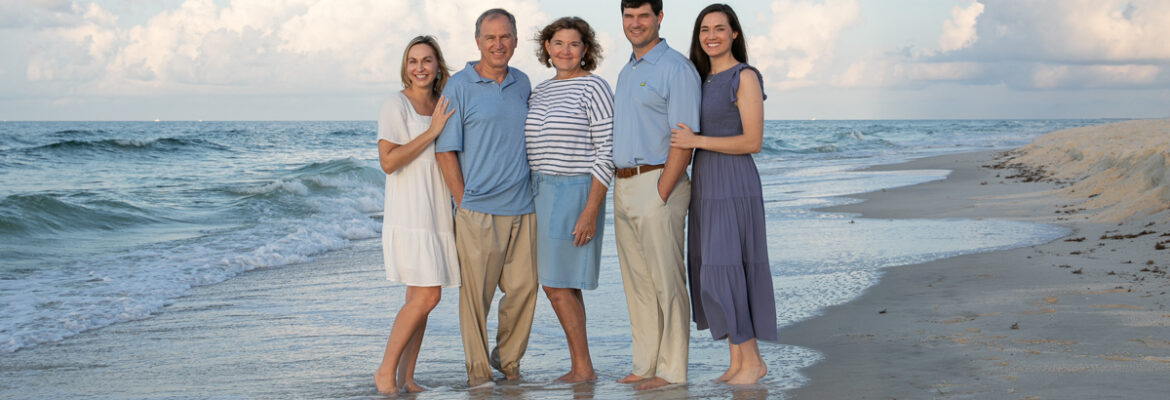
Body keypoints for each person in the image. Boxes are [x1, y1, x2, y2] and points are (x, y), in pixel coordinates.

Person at [670, 3, 777, 385]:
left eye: (719, 28)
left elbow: (753, 141)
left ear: (734, 33)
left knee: (728, 270)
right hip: (706, 183)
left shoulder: (744, 76)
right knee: (712, 271)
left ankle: (753, 362)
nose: (711, 35)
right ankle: (736, 362)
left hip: (734, 182)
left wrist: (697, 141)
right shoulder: (700, 80)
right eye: (704, 29)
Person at [434, 8, 538, 389]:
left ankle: (508, 361)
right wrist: (463, 201)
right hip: (477, 210)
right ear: (477, 41)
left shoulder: (523, 83)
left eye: (505, 36)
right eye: (490, 37)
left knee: (524, 290)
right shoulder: (458, 86)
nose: (498, 44)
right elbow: (445, 150)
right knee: (476, 299)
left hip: (524, 207)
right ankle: (478, 373)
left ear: (515, 40)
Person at [611, 0, 701, 390]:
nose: (635, 23)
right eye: (628, 16)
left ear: (659, 18)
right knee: (639, 284)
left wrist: (662, 189)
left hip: (658, 183)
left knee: (667, 282)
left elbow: (684, 138)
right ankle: (645, 364)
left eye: (643, 16)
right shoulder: (626, 71)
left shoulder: (677, 69)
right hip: (623, 185)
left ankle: (672, 371)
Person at [524, 16, 614, 384]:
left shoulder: (595, 87)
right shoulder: (540, 91)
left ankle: (583, 368)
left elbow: (607, 150)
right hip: (538, 191)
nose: (565, 50)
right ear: (547, 47)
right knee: (564, 283)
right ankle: (581, 366)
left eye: (574, 44)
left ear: (585, 49)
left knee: (556, 284)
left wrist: (590, 210)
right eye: (558, 43)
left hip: (574, 191)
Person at [372, 35, 458, 394]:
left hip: (438, 210)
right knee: (428, 296)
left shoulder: (444, 103)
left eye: (426, 60)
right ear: (405, 68)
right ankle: (385, 372)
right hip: (410, 212)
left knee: (418, 301)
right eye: (413, 61)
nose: (420, 67)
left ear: (438, 66)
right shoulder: (396, 105)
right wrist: (432, 132)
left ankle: (406, 377)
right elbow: (388, 162)